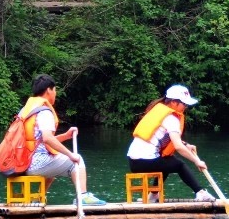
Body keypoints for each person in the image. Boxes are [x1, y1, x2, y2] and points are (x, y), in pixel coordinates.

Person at [15, 74, 106, 205]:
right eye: (55, 90)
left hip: (22, 162)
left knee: (52, 170)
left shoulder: (25, 110)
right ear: (48, 90)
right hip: (35, 163)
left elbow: (39, 141)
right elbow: (47, 139)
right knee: (77, 160)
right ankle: (83, 196)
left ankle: (39, 198)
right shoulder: (44, 111)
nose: (55, 93)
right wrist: (70, 155)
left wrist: (65, 136)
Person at [127, 84, 215, 202]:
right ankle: (200, 192)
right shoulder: (171, 118)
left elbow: (165, 137)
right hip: (144, 161)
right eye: (184, 103)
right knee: (179, 165)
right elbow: (177, 146)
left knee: (167, 161)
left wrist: (187, 145)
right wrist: (197, 161)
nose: (186, 106)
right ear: (174, 102)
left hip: (134, 162)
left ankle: (153, 195)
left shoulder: (159, 111)